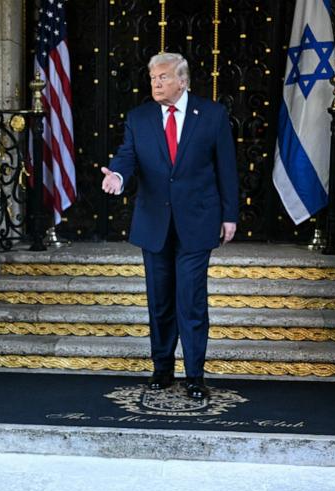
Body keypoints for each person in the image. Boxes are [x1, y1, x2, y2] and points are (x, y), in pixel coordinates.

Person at [101, 52, 239, 400]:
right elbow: (127, 156)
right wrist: (117, 175)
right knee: (160, 302)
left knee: (190, 301)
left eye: (163, 77)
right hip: (154, 224)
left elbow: (226, 167)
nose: (156, 83)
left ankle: (194, 376)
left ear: (183, 81)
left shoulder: (212, 115)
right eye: (153, 78)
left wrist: (230, 215)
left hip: (198, 222)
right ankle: (162, 369)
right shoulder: (139, 117)